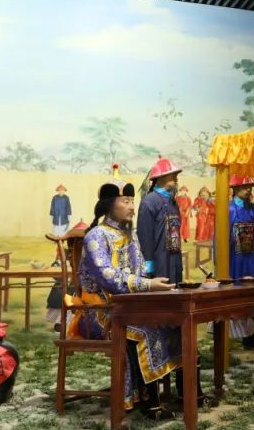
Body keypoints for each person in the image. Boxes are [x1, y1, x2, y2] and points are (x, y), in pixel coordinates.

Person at [78, 170, 181, 415]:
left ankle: (154, 393)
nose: (132, 207)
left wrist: (151, 284)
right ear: (109, 205)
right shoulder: (96, 236)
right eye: (125, 201)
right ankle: (151, 403)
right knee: (148, 328)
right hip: (98, 312)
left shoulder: (130, 236)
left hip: (126, 309)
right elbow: (108, 277)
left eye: (132, 201)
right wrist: (148, 285)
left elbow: (141, 270)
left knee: (167, 322)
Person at [228, 175, 254, 349]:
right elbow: (220, 239)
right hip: (233, 261)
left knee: (250, 297)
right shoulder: (228, 210)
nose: (249, 190)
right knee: (231, 296)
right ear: (235, 189)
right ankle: (225, 338)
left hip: (250, 261)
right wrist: (221, 262)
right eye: (245, 187)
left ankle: (249, 337)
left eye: (250, 187)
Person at [136, 157, 184, 283]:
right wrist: (148, 267)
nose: (176, 178)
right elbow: (145, 236)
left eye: (176, 175)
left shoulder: (173, 202)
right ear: (160, 177)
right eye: (172, 174)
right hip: (159, 262)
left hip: (174, 260)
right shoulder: (149, 201)